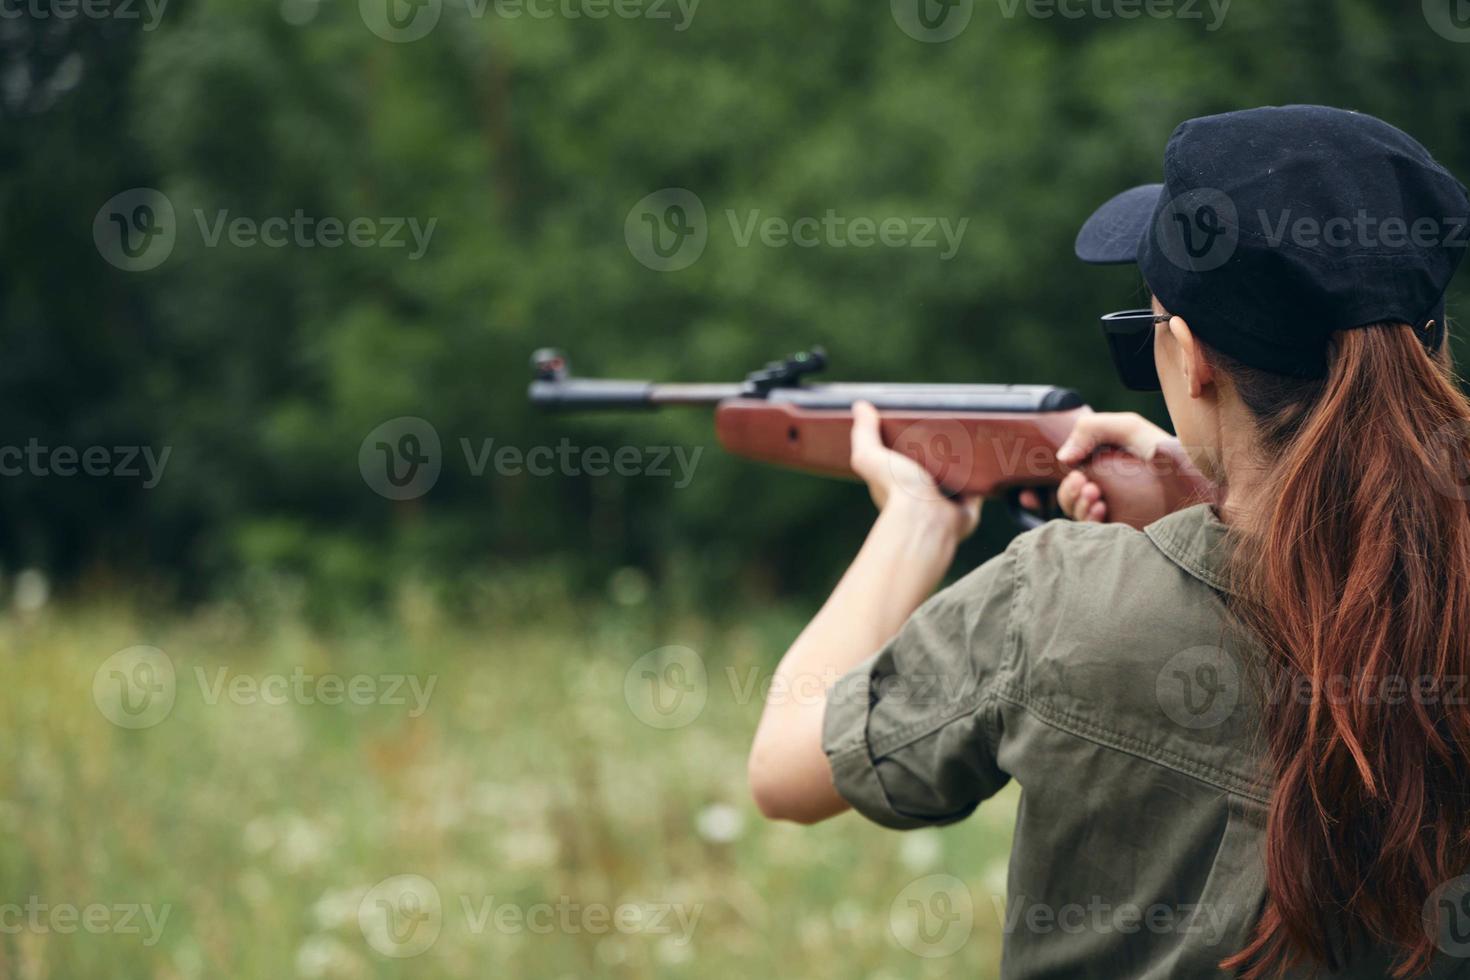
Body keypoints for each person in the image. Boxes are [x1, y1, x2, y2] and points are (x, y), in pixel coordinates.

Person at [746, 105, 1470, 978]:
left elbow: (786, 769)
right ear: (1425, 346)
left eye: (1147, 331)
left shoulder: (1053, 598)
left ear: (1193, 358)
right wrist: (1207, 498)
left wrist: (915, 520)